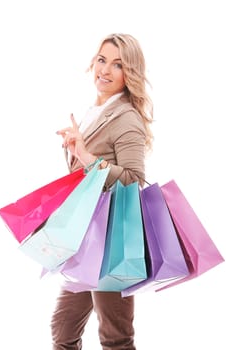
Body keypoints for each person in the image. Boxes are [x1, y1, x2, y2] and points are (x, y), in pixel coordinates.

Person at [53, 33, 153, 350]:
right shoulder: (96, 111)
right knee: (64, 328)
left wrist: (86, 157)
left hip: (113, 242)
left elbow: (134, 179)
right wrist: (77, 151)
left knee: (116, 337)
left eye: (118, 65)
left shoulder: (127, 118)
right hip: (88, 238)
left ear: (130, 73)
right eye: (102, 60)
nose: (105, 71)